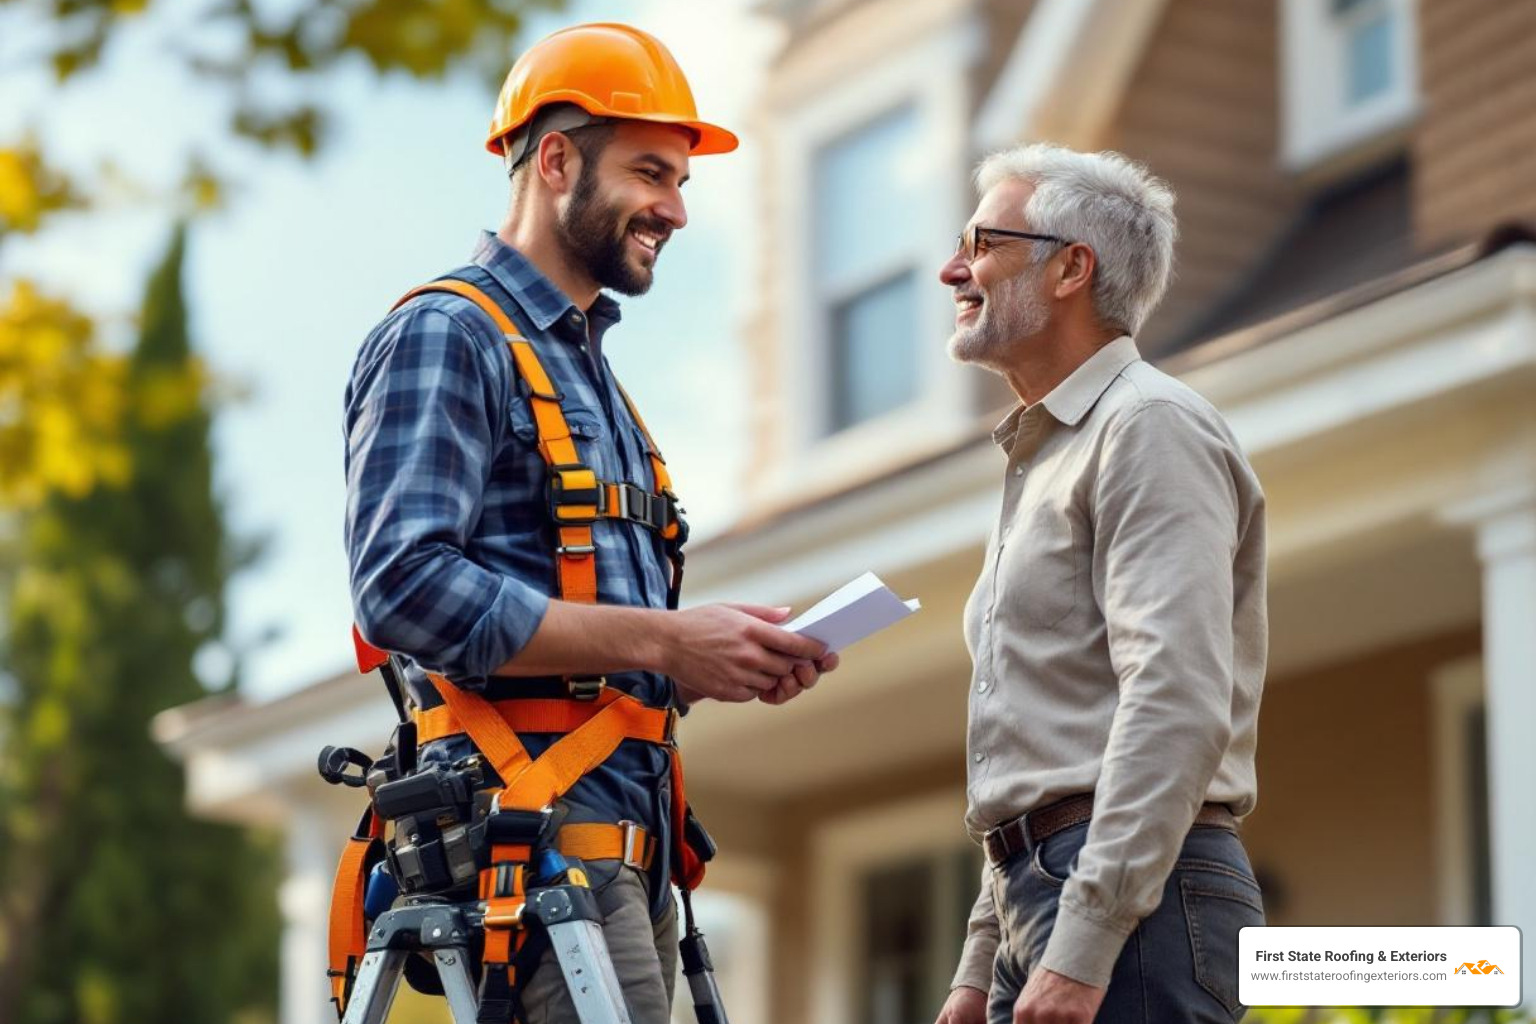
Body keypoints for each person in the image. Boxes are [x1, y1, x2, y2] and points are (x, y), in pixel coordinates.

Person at [343, 23, 837, 1023]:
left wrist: (708, 660)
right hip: (536, 852)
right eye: (651, 172)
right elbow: (401, 587)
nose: (677, 209)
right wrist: (665, 639)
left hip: (627, 857)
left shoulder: (590, 379)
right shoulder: (449, 334)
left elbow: (585, 649)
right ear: (557, 161)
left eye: (682, 181)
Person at [931, 144, 1268, 1024]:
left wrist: (1082, 947)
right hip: (1049, 898)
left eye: (982, 244)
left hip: (1137, 910)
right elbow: (1043, 742)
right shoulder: (1049, 452)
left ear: (1070, 269)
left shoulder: (1148, 426)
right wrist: (981, 962)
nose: (952, 270)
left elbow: (1175, 697)